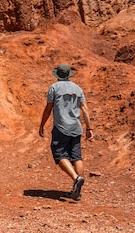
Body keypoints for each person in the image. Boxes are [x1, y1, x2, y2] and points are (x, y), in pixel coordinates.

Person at [39, 64, 93, 201]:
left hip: (61, 127)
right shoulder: (78, 88)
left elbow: (48, 108)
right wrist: (89, 128)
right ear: (69, 75)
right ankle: (78, 192)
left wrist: (42, 124)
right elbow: (85, 109)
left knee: (59, 153)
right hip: (76, 128)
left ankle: (76, 179)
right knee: (77, 157)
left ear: (57, 76)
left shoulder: (54, 88)